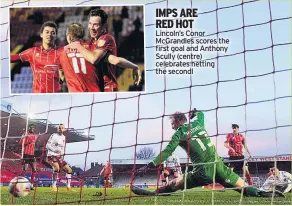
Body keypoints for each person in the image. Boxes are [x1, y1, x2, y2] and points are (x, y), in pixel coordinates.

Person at [132, 109, 276, 197]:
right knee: (244, 188)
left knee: (174, 183)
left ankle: (154, 193)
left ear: (178, 122)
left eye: (172, 123)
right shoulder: (198, 123)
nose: (171, 126)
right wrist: (195, 113)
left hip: (203, 173)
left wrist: (151, 164)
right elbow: (201, 113)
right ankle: (262, 193)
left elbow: (168, 151)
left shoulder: (178, 134)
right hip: (219, 167)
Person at [66, 9, 141, 91]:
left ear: (104, 26)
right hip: (95, 88)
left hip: (108, 88)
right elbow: (114, 60)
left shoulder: (107, 38)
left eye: (96, 25)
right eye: (90, 24)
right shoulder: (91, 41)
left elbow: (94, 59)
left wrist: (77, 46)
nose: (92, 28)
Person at [10, 21, 61, 93]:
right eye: (47, 32)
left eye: (52, 32)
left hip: (55, 94)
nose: (49, 34)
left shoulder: (60, 53)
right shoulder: (32, 51)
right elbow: (14, 58)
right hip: (37, 94)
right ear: (41, 35)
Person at [45, 124, 73, 192]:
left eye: (62, 128)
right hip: (52, 155)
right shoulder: (54, 135)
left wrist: (62, 155)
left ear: (64, 129)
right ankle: (54, 186)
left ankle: (68, 187)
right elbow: (47, 145)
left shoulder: (63, 137)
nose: (60, 129)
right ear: (57, 129)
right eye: (59, 128)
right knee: (56, 168)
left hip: (59, 156)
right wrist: (54, 150)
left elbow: (62, 148)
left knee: (69, 170)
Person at [19, 124, 38, 190]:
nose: (32, 129)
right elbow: (20, 142)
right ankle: (20, 184)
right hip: (26, 153)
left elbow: (34, 144)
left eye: (33, 128)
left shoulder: (35, 136)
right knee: (25, 169)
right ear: (28, 128)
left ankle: (31, 185)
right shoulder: (25, 134)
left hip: (32, 154)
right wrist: (27, 142)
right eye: (30, 127)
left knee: (34, 169)